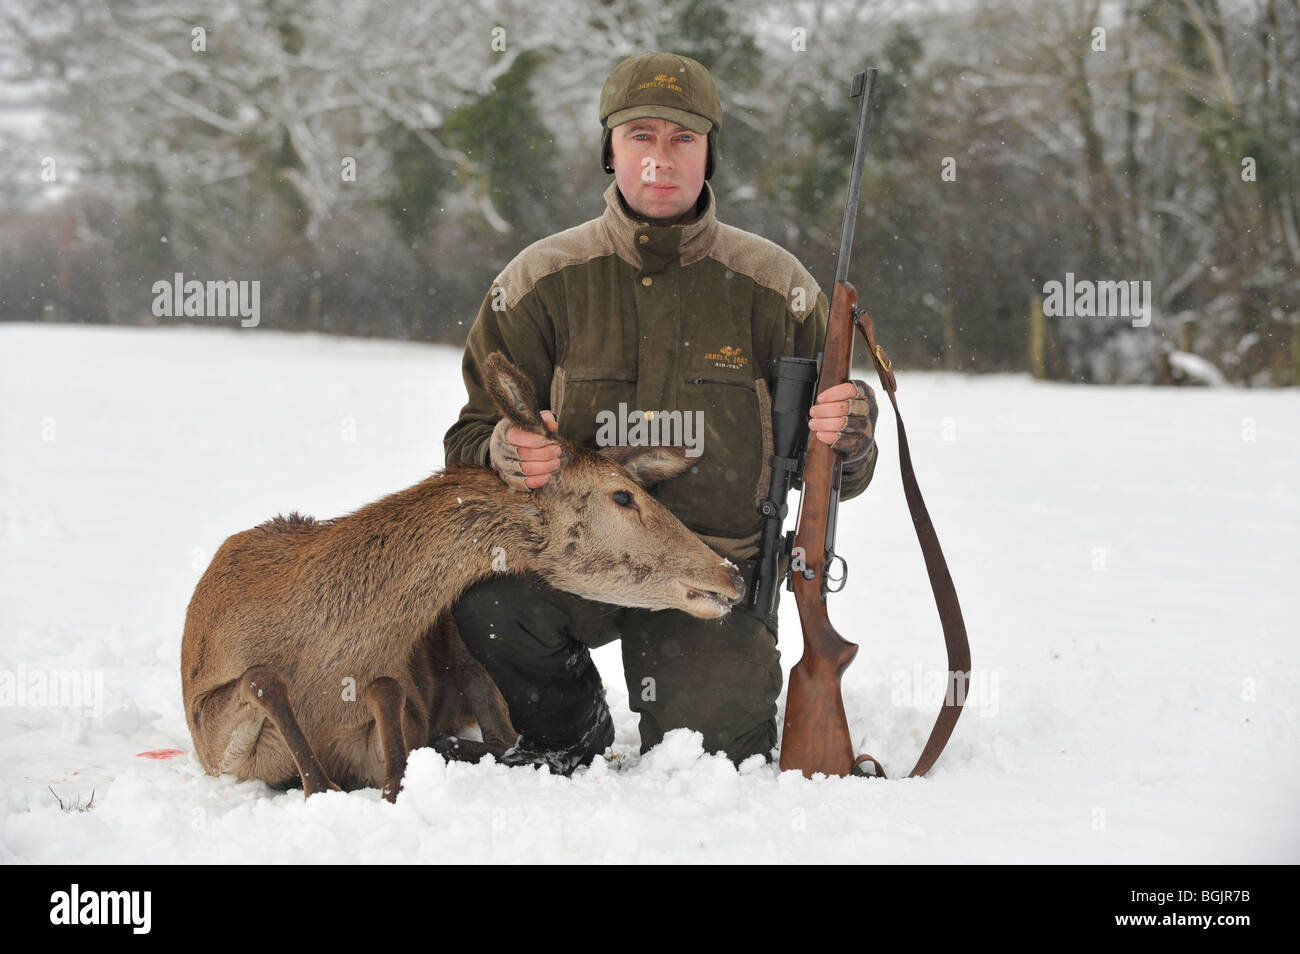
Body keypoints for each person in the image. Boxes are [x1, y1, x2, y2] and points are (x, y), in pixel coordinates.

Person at [442, 51, 879, 774]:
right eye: (640, 136)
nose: (660, 159)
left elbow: (839, 475)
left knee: (712, 762)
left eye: (683, 138)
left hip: (715, 574)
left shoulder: (777, 290)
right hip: (572, 569)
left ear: (710, 153)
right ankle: (570, 732)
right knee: (490, 599)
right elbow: (465, 440)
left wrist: (852, 436)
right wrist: (504, 451)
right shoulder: (539, 282)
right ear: (608, 150)